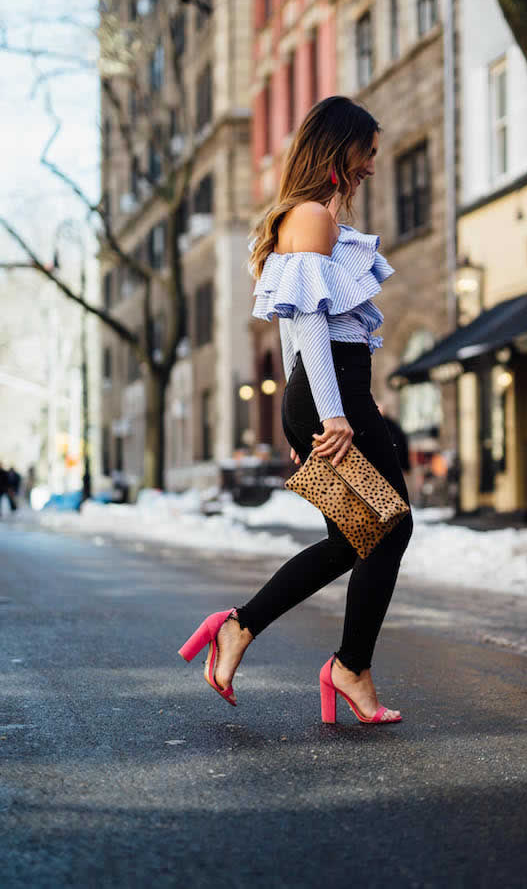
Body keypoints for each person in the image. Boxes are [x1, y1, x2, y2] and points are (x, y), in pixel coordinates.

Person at [179, 96, 414, 724]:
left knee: (351, 540)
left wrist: (300, 410)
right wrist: (328, 413)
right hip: (333, 391)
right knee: (390, 529)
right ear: (340, 149)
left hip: (323, 390)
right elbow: (306, 320)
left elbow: (295, 327)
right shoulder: (311, 216)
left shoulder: (314, 219)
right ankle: (349, 668)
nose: (371, 163)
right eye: (366, 150)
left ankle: (240, 627)